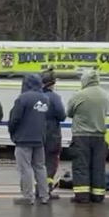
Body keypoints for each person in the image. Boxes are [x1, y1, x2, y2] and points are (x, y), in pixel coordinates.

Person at [67, 69, 109, 204]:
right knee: (98, 167)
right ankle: (97, 195)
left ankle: (82, 196)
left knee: (81, 166)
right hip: (99, 136)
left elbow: (69, 112)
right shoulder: (105, 95)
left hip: (81, 136)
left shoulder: (79, 95)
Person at [8, 74, 50, 205]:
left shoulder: (23, 98)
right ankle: (44, 195)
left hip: (24, 138)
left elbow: (14, 119)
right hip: (40, 138)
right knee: (40, 167)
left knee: (25, 168)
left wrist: (13, 133)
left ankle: (28, 196)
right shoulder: (45, 98)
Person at [41, 69, 66, 199]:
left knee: (38, 162)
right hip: (52, 135)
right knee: (51, 163)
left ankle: (38, 188)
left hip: (37, 134)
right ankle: (47, 189)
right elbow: (62, 116)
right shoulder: (54, 98)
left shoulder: (35, 96)